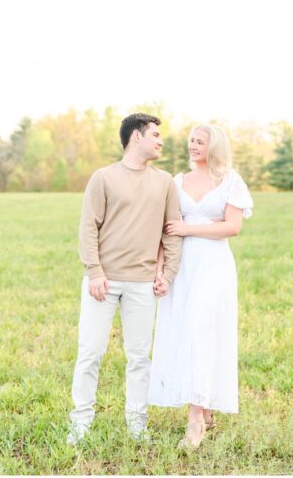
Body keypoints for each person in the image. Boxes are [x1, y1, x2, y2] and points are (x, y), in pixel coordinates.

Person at [67, 113, 183, 445]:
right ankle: (81, 423)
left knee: (139, 357)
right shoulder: (103, 178)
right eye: (156, 135)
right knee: (90, 353)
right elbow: (88, 227)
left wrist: (167, 274)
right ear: (136, 136)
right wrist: (95, 272)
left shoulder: (165, 182)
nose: (161, 141)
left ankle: (137, 424)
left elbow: (171, 231)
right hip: (102, 282)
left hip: (143, 283)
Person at [148, 124, 252, 448]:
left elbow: (232, 227)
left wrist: (189, 228)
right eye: (191, 141)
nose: (193, 146)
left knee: (202, 331)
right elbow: (167, 228)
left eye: (200, 142)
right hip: (184, 267)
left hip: (213, 266)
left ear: (213, 146)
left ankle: (195, 420)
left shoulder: (230, 181)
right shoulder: (177, 182)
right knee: (185, 331)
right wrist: (162, 268)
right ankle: (203, 407)